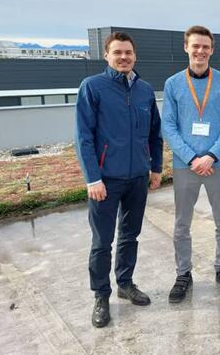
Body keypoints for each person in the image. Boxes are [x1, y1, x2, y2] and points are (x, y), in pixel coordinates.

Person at [76, 31, 163, 328]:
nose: (123, 57)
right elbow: (84, 137)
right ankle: (101, 295)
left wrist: (156, 168)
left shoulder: (145, 90)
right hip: (105, 180)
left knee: (130, 235)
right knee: (102, 241)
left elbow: (154, 134)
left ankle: (125, 283)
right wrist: (92, 178)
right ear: (107, 56)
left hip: (137, 177)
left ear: (134, 56)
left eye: (128, 52)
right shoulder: (92, 87)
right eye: (118, 53)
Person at [162, 25, 220, 302]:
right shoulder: (173, 84)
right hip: (186, 166)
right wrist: (193, 158)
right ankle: (183, 272)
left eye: (205, 46)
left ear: (212, 50)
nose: (200, 51)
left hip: (217, 163)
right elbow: (168, 126)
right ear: (186, 47)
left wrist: (212, 155)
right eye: (195, 46)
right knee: (182, 224)